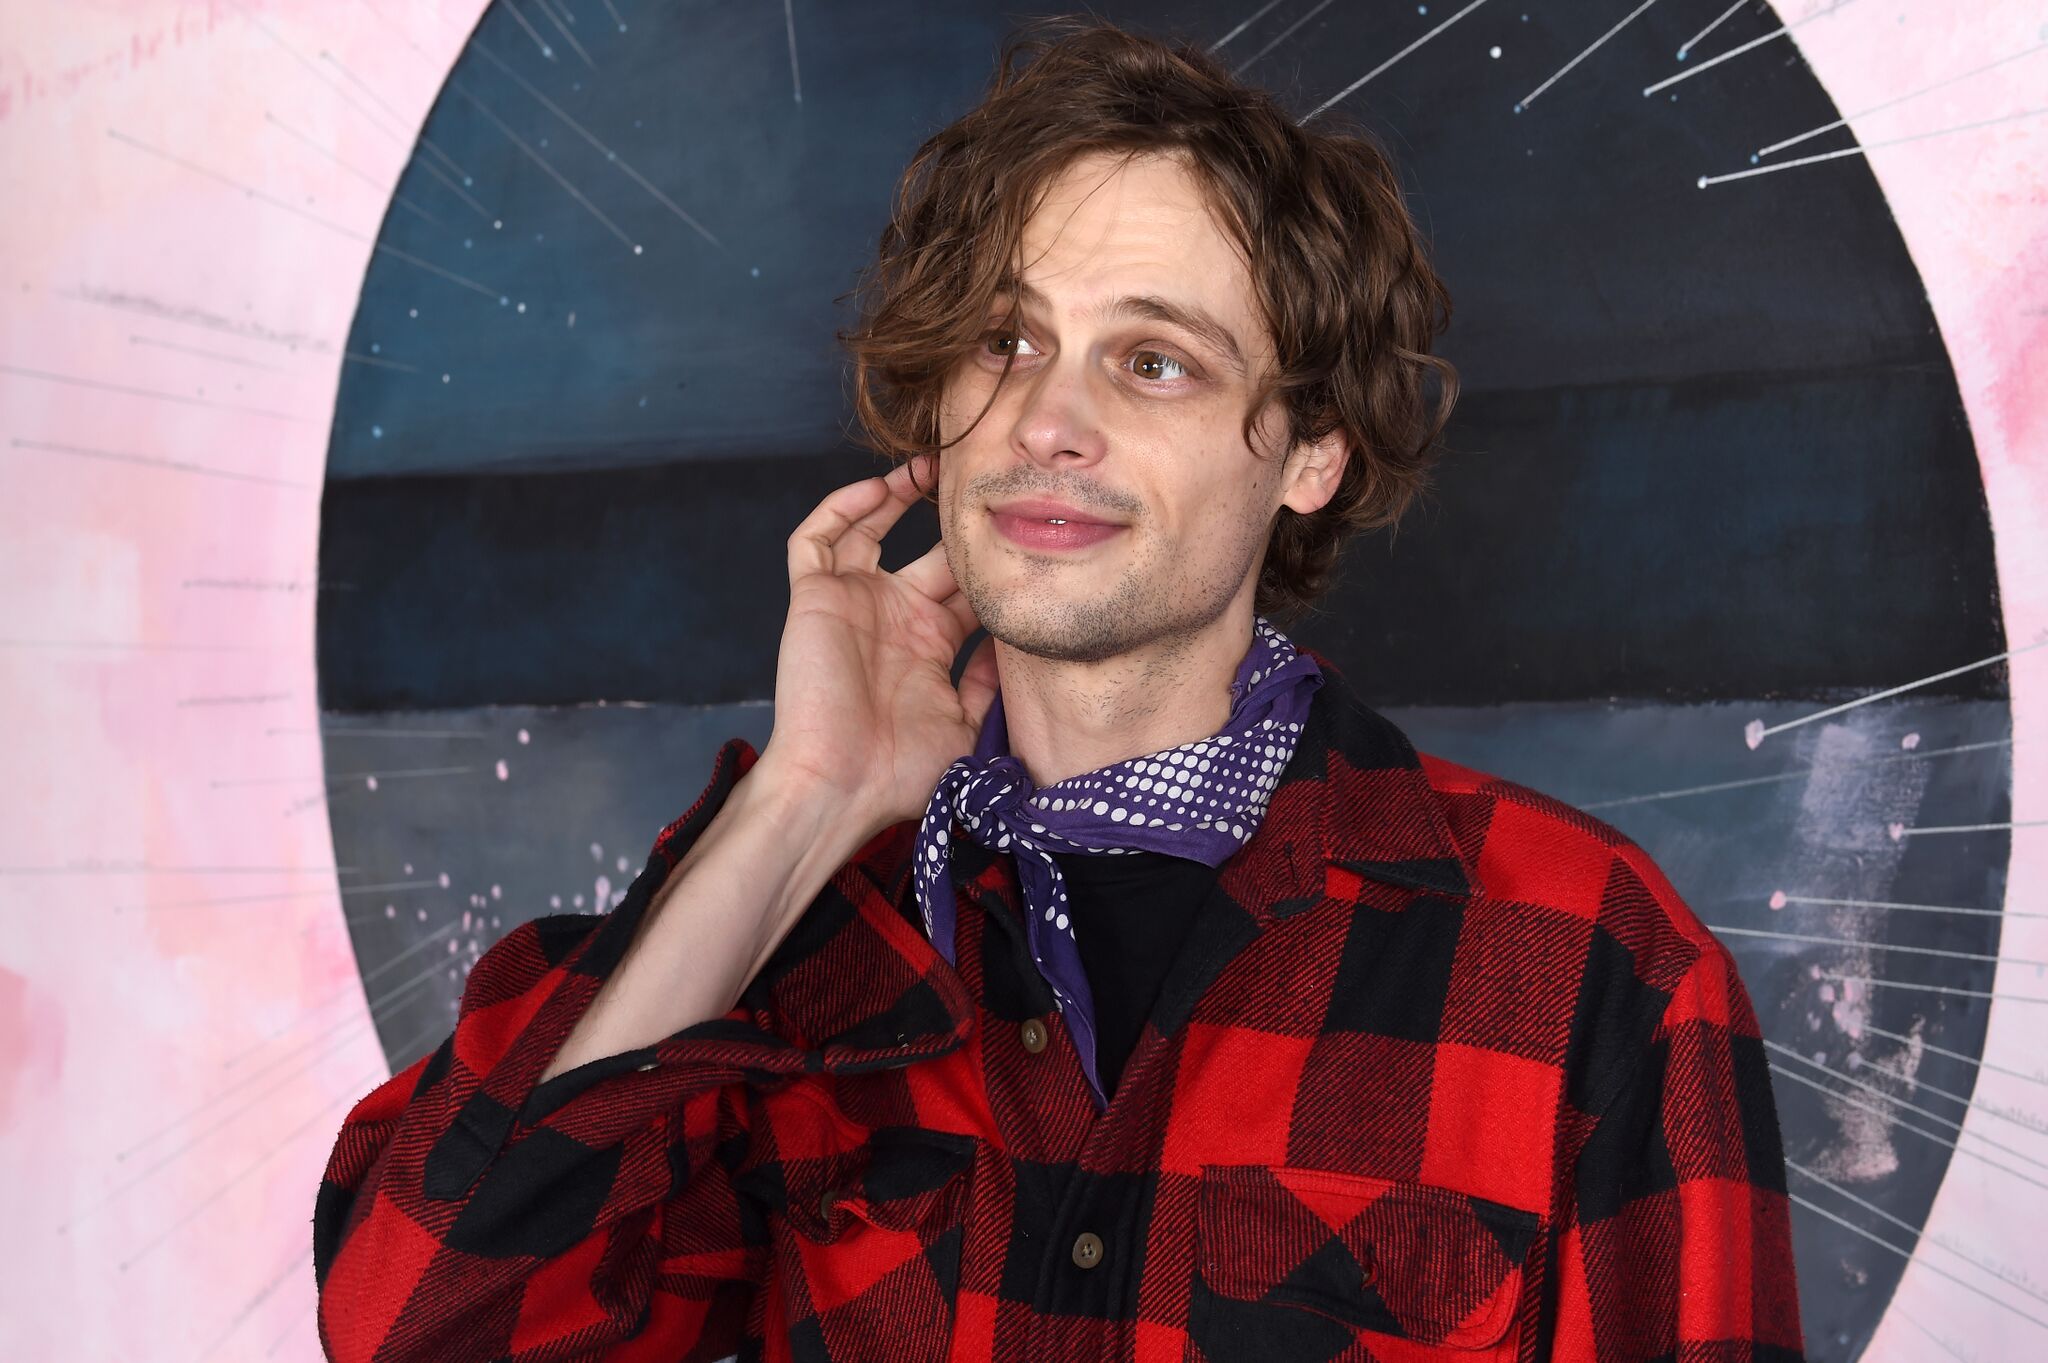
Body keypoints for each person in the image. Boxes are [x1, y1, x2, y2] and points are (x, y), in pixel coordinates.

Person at [312, 15, 1804, 1363]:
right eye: (1006, 339)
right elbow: (423, 1330)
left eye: (1153, 362)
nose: (1048, 418)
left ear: (1308, 456)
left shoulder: (1593, 968)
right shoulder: (795, 922)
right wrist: (802, 801)